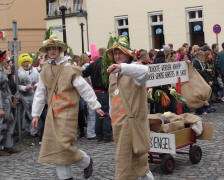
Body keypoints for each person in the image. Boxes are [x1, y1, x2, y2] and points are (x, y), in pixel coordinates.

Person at [31, 35, 104, 180]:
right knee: (56, 147)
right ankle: (68, 176)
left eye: (54, 48)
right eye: (49, 49)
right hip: (53, 112)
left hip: (68, 112)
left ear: (59, 50)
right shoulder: (45, 69)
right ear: (47, 51)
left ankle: (86, 161)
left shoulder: (69, 68)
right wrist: (36, 114)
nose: (52, 51)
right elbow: (40, 92)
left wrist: (95, 105)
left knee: (63, 145)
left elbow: (84, 88)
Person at [106, 35, 154, 180]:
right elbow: (112, 97)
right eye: (115, 53)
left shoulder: (135, 71)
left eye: (120, 52)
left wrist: (122, 67)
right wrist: (111, 114)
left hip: (133, 124)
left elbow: (146, 72)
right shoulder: (112, 75)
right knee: (138, 163)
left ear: (128, 54)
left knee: (124, 164)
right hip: (119, 124)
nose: (117, 56)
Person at [82, 48, 112, 142]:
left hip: (95, 91)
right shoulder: (106, 64)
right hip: (104, 91)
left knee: (98, 113)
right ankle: (107, 135)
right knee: (106, 113)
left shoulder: (93, 64)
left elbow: (84, 73)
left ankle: (99, 135)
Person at [0, 50, 18, 156]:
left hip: (6, 101)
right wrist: (0, 108)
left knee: (10, 123)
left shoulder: (2, 70)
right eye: (3, 57)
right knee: (1, 125)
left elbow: (6, 89)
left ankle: (8, 146)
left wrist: (11, 99)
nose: (5, 59)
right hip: (1, 102)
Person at [18, 53, 39, 134]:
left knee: (34, 112)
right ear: (21, 62)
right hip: (24, 96)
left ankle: (34, 131)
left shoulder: (35, 70)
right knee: (26, 113)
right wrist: (24, 88)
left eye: (27, 61)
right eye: (24, 61)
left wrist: (35, 86)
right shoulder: (18, 72)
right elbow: (16, 85)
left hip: (34, 95)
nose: (26, 63)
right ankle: (27, 129)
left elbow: (39, 81)